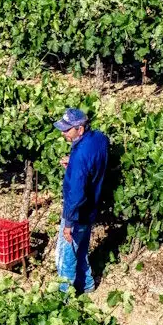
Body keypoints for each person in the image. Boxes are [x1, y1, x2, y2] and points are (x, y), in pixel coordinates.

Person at [54, 108, 109, 294]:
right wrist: (75, 164)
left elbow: (76, 194)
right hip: (91, 208)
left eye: (67, 130)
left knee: (65, 257)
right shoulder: (99, 139)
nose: (63, 133)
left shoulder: (80, 156)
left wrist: (68, 223)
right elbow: (92, 164)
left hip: (77, 212)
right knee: (81, 248)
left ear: (80, 129)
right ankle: (87, 285)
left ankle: (65, 298)